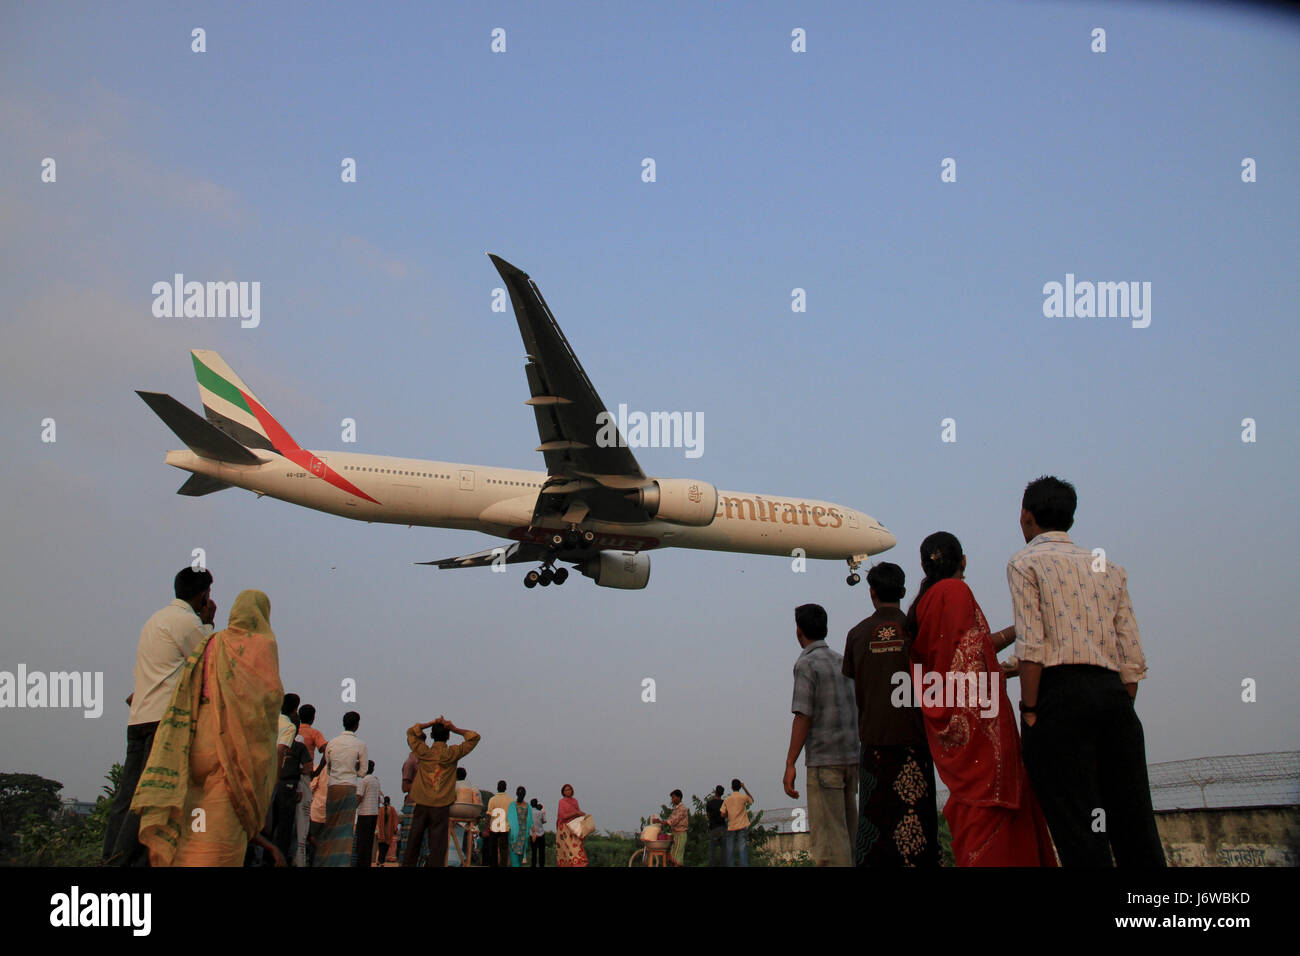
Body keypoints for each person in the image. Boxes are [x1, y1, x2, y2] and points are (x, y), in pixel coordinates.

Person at [1007, 476, 1165, 866]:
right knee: (1135, 826)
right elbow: (1131, 659)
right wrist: (1116, 706)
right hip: (1113, 698)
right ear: (1070, 518)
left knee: (1078, 829)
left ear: (1026, 515)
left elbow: (1032, 646)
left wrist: (1030, 710)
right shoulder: (1109, 568)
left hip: (1057, 700)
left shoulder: (1025, 563)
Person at [906, 531, 1057, 866]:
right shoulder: (956, 591)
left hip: (949, 719)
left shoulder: (925, 602)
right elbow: (972, 657)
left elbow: (951, 663)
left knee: (972, 812)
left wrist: (1015, 637)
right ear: (963, 560)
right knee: (991, 808)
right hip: (980, 728)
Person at [132, 589, 286, 867]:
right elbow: (267, 701)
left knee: (192, 826)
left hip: (195, 744)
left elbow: (188, 686)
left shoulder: (212, 643)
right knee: (220, 836)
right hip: (232, 754)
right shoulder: (262, 646)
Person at [104, 567, 216, 865]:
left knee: (127, 797)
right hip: (164, 722)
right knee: (152, 799)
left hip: (140, 715)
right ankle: (126, 860)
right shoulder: (188, 622)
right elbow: (208, 664)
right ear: (204, 595)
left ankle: (110, 856)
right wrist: (208, 624)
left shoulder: (155, 620)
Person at [842, 563, 940, 866]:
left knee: (876, 830)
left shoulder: (857, 635)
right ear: (902, 591)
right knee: (917, 827)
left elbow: (857, 688)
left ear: (871, 593)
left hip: (875, 745)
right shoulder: (917, 631)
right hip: (915, 743)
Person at [784, 604, 859, 866]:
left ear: (799, 631)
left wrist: (790, 762)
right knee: (850, 836)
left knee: (829, 843)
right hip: (851, 759)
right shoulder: (842, 661)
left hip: (824, 762)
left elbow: (803, 715)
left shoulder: (806, 664)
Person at [402, 716, 480, 867]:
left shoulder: (424, 752)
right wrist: (454, 728)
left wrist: (430, 723)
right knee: (437, 847)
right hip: (441, 805)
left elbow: (411, 732)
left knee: (413, 842)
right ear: (448, 736)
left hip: (422, 802)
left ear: (431, 736)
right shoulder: (452, 753)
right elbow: (474, 738)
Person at [317, 711, 367, 866]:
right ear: (357, 725)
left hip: (333, 787)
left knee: (330, 827)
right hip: (349, 787)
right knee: (345, 830)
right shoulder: (360, 745)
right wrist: (355, 768)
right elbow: (363, 772)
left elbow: (329, 767)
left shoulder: (332, 743)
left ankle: (325, 861)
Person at [293, 703, 326, 866]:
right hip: (305, 777)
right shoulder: (314, 733)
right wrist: (317, 771)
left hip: (289, 776)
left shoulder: (293, 730)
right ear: (313, 717)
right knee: (303, 821)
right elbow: (326, 750)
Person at [650, 790, 689, 866]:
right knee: (673, 857)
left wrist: (660, 822)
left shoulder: (682, 809)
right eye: (672, 798)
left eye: (673, 797)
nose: (672, 799)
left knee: (677, 858)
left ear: (679, 797)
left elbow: (673, 821)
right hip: (675, 834)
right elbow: (669, 819)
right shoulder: (676, 809)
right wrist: (660, 823)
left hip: (680, 835)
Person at [354, 760, 381, 866]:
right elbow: (378, 798)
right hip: (374, 814)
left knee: (361, 842)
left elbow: (359, 797)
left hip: (364, 814)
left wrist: (352, 809)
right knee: (369, 842)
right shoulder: (375, 781)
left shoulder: (364, 781)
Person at [721, 779, 753, 866]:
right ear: (739, 787)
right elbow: (751, 800)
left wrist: (729, 814)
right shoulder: (743, 797)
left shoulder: (727, 799)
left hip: (731, 826)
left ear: (731, 787)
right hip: (742, 825)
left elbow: (723, 814)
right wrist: (744, 788)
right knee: (742, 848)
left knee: (730, 848)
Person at [556, 784, 588, 867]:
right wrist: (575, 813)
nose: (568, 791)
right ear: (563, 792)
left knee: (577, 849)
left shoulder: (574, 801)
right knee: (567, 851)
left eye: (569, 789)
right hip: (564, 830)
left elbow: (577, 814)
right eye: (566, 790)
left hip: (574, 829)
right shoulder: (562, 802)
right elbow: (562, 816)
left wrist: (581, 815)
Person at [485, 780, 511, 867]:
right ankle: (503, 864)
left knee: (493, 849)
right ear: (505, 788)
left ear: (497, 788)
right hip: (505, 828)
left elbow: (488, 815)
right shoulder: (510, 800)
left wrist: (486, 828)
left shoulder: (492, 799)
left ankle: (493, 864)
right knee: (504, 849)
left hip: (494, 828)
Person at [508, 786, 534, 867]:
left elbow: (530, 821)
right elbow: (509, 819)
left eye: (522, 793)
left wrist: (534, 832)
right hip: (513, 836)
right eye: (519, 793)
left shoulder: (527, 806)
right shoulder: (512, 805)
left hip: (523, 836)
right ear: (516, 794)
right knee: (514, 861)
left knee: (520, 860)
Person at [705, 785, 727, 866]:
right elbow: (725, 815)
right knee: (724, 852)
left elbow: (708, 816)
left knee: (712, 852)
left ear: (715, 792)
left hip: (713, 828)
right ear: (722, 793)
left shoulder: (709, 803)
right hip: (723, 828)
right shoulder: (724, 803)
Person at [376, 796, 398, 866]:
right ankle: (381, 861)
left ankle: (380, 860)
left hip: (381, 832)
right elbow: (395, 820)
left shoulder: (380, 810)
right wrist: (395, 829)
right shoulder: (392, 809)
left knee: (381, 847)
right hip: (389, 832)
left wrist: (377, 830)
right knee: (385, 847)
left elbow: (377, 821)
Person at [530, 798, 547, 867]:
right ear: (537, 803)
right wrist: (543, 811)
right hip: (541, 833)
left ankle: (533, 865)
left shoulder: (529, 812)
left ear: (531, 804)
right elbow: (544, 821)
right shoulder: (540, 812)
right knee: (541, 852)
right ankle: (541, 865)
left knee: (534, 852)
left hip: (532, 834)